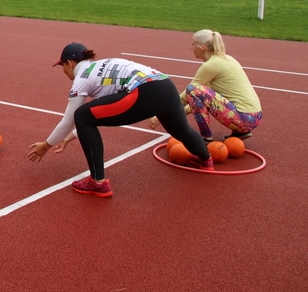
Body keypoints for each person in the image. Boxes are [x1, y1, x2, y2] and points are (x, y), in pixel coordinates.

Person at [28, 43, 214, 198]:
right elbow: (107, 110)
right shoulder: (103, 66)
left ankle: (97, 182)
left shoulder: (82, 78)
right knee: (181, 130)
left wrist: (46, 145)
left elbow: (69, 120)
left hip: (145, 91)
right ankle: (204, 158)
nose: (64, 72)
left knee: (81, 115)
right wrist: (72, 136)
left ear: (69, 63)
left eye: (63, 67)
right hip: (165, 84)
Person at [151, 30, 262, 142]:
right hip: (254, 117)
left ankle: (206, 139)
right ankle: (240, 131)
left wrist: (163, 115)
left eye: (193, 44)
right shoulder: (227, 59)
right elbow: (206, 97)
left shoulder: (211, 66)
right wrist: (182, 112)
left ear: (201, 48)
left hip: (243, 119)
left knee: (193, 89)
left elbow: (188, 95)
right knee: (198, 91)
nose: (191, 47)